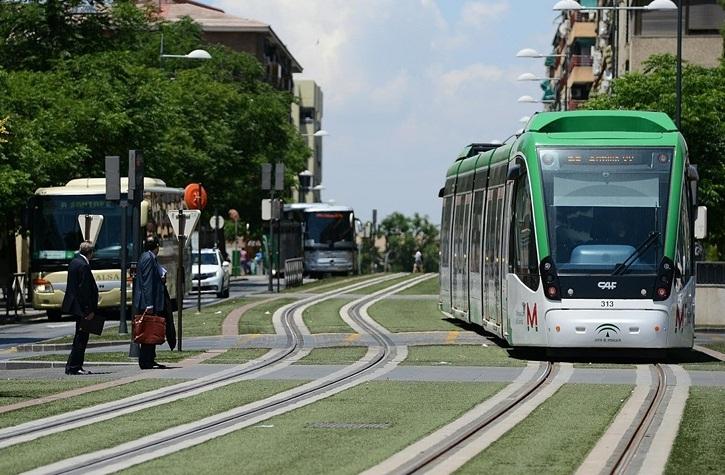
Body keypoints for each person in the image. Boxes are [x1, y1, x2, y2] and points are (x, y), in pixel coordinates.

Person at [63, 241, 98, 375]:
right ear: (90, 253)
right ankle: (74, 366)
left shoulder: (74, 262)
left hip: (76, 306)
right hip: (82, 308)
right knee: (81, 338)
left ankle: (73, 365)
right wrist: (88, 311)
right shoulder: (83, 266)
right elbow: (84, 290)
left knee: (80, 336)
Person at [134, 236, 166, 369]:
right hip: (147, 302)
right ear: (157, 246)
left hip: (151, 301)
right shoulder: (148, 258)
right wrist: (149, 304)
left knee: (151, 331)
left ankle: (150, 359)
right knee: (147, 332)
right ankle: (145, 360)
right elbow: (147, 282)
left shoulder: (149, 257)